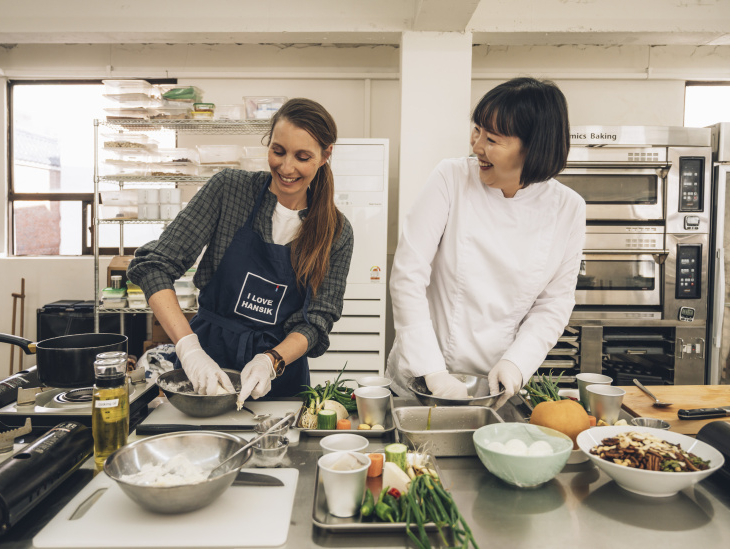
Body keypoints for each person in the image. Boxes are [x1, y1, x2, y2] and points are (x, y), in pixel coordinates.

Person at [128, 98, 353, 404]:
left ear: (326, 155)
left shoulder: (335, 231)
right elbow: (153, 266)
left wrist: (269, 361)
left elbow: (316, 321)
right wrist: (189, 350)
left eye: (302, 157)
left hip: (279, 380)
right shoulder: (229, 191)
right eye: (278, 151)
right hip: (204, 364)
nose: (286, 167)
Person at [386, 77, 585, 408]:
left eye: (492, 139)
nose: (476, 146)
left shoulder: (568, 208)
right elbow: (408, 274)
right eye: (476, 131)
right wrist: (433, 371)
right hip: (420, 379)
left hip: (492, 387)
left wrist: (516, 364)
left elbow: (554, 302)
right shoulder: (450, 178)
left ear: (533, 147)